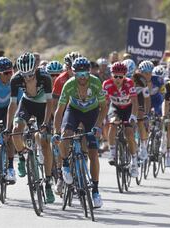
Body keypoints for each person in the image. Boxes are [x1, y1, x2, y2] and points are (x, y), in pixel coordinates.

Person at [53, 56, 107, 208]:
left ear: (89, 73)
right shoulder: (69, 85)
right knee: (65, 136)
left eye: (85, 75)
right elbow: (59, 110)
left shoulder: (96, 83)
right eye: (78, 75)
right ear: (73, 73)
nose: (82, 78)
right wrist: (57, 131)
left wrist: (97, 126)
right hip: (74, 111)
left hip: (92, 112)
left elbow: (104, 108)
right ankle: (65, 165)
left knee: (93, 152)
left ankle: (95, 191)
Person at [5, 52, 55, 203]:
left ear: (35, 68)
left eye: (31, 74)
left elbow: (50, 103)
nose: (28, 78)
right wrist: (8, 127)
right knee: (15, 132)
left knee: (45, 142)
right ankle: (21, 155)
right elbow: (12, 104)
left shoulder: (45, 77)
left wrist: (46, 123)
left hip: (43, 107)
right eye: (24, 75)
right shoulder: (15, 79)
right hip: (26, 105)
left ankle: (47, 184)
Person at [51, 51, 81, 195]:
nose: (72, 71)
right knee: (61, 142)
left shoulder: (84, 79)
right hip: (63, 112)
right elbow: (55, 105)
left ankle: (80, 172)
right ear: (66, 67)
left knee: (83, 141)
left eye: (74, 67)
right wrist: (56, 124)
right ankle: (60, 176)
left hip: (79, 112)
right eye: (70, 67)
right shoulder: (60, 80)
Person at [103, 62, 139, 177]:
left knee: (129, 133)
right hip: (115, 108)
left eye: (120, 76)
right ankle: (112, 151)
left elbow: (135, 102)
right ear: (111, 75)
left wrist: (133, 117)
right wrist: (103, 117)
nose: (118, 79)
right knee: (113, 123)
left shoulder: (129, 84)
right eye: (115, 76)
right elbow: (105, 102)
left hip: (128, 108)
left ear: (125, 76)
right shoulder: (107, 84)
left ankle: (134, 161)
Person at [136, 60, 154, 160]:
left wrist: (147, 113)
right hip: (134, 100)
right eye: (145, 73)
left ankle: (143, 146)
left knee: (141, 120)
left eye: (150, 73)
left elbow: (148, 100)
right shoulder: (135, 79)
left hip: (146, 101)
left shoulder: (154, 80)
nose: (148, 75)